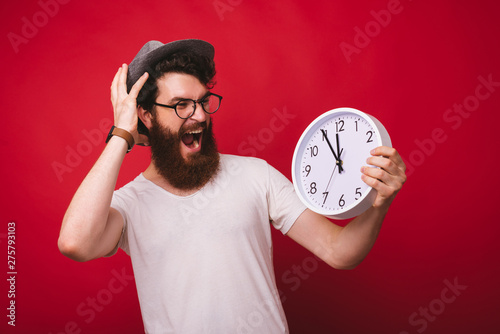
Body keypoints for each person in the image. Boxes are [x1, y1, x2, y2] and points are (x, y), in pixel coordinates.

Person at [58, 39, 406, 333]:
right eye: (181, 105)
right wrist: (122, 133)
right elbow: (75, 243)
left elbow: (339, 251)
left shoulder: (256, 175)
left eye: (202, 101)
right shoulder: (130, 204)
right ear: (146, 116)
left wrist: (381, 202)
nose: (198, 115)